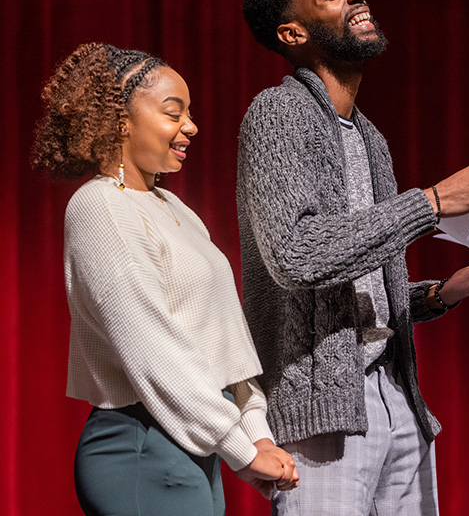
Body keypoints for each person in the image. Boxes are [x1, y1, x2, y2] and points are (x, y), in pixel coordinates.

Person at [238, 0, 469, 515]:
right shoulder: (276, 114)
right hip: (323, 411)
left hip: (397, 398)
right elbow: (296, 255)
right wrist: (432, 202)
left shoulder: (370, 138)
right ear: (293, 33)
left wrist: (438, 294)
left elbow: (352, 294)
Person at [31, 43, 299, 516]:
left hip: (193, 442)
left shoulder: (176, 210)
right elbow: (155, 349)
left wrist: (254, 432)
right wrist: (240, 446)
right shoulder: (100, 207)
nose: (191, 126)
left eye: (190, 113)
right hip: (142, 443)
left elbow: (225, 342)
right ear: (121, 121)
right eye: (173, 112)